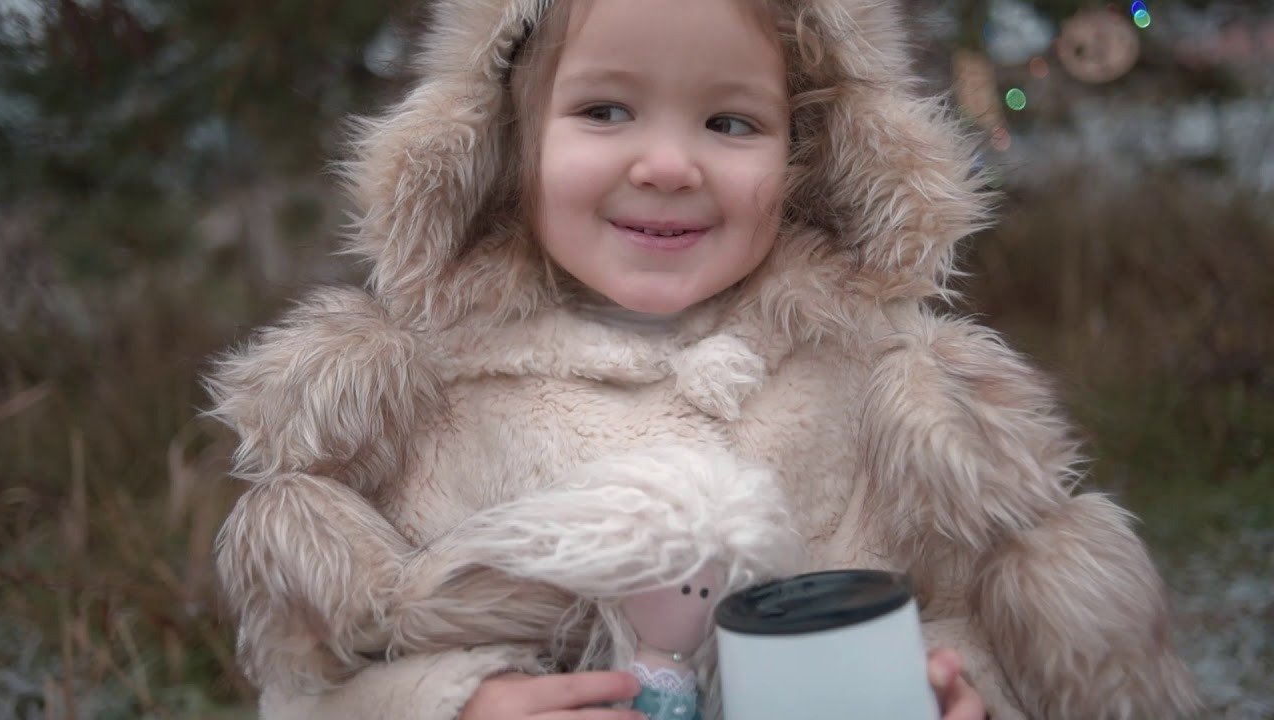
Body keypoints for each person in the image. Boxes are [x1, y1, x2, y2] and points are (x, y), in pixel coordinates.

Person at [205, 0, 1202, 718]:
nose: (669, 165)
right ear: (504, 146)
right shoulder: (418, 406)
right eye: (604, 111)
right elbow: (315, 683)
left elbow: (967, 617)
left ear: (806, 154)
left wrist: (950, 680)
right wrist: (458, 705)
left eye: (730, 123)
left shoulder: (881, 392)